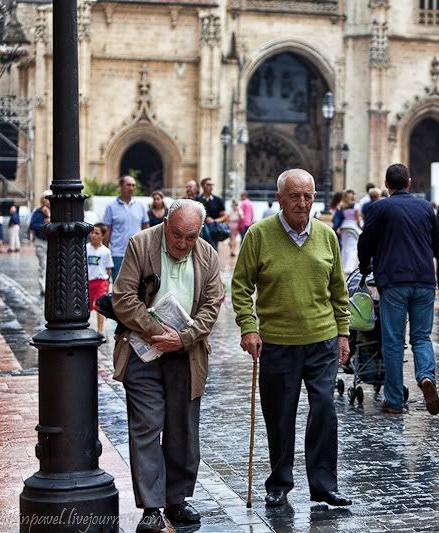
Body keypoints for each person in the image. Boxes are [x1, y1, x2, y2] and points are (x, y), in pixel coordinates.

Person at [231, 169, 353, 508]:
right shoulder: (259, 235)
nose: (302, 203)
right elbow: (241, 286)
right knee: (280, 414)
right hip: (278, 341)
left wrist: (343, 334)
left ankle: (324, 485)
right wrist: (248, 326)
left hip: (322, 339)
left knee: (325, 409)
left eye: (308, 196)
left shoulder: (327, 236)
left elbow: (339, 291)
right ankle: (280, 482)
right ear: (280, 198)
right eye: (295, 196)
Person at [112, 199, 222, 532]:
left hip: (185, 355)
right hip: (143, 353)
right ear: (165, 224)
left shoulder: (208, 255)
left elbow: (211, 307)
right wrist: (158, 331)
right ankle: (151, 507)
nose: (183, 244)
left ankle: (177, 500)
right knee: (146, 426)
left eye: (190, 237)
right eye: (177, 235)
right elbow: (123, 297)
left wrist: (183, 338)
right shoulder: (141, 244)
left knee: (183, 431)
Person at [358, 163, 439, 415]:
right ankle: (426, 377)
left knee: (393, 341)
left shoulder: (379, 207)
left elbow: (366, 241)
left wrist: (364, 266)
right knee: (421, 337)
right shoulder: (426, 207)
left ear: (386, 184)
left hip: (393, 280)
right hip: (424, 280)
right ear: (409, 182)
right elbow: (436, 240)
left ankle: (394, 400)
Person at [104, 175, 149, 281]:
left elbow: (146, 229)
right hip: (117, 253)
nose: (131, 188)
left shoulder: (140, 206)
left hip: (137, 252)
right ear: (121, 187)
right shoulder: (111, 207)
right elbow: (107, 230)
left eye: (133, 185)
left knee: (136, 284)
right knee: (118, 284)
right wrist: (106, 251)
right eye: (128, 185)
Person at [87, 223, 113, 333]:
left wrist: (107, 284)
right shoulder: (85, 248)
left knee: (99, 305)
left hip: (101, 282)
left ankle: (100, 330)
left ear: (103, 236)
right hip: (88, 281)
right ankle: (84, 326)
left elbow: (108, 269)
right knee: (86, 306)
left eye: (97, 233)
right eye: (92, 232)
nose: (93, 235)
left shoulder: (106, 251)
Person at [333, 189, 362, 274]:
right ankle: (349, 267)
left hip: (344, 227)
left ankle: (342, 266)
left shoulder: (342, 205)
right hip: (353, 227)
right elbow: (357, 219)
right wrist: (361, 227)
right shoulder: (356, 206)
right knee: (352, 248)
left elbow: (339, 218)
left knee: (344, 247)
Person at [195, 177, 227, 250]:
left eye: (212, 185)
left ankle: (213, 255)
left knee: (213, 247)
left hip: (214, 229)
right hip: (201, 229)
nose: (211, 187)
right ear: (203, 186)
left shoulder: (218, 200)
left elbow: (224, 216)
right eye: (208, 184)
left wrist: (214, 221)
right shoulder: (197, 199)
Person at [29, 190, 52, 295]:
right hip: (41, 242)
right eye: (44, 198)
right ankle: (43, 286)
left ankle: (50, 285)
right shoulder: (38, 212)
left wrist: (49, 218)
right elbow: (32, 225)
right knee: (43, 264)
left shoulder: (55, 211)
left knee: (51, 265)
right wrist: (44, 223)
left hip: (52, 242)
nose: (46, 201)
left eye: (48, 198)